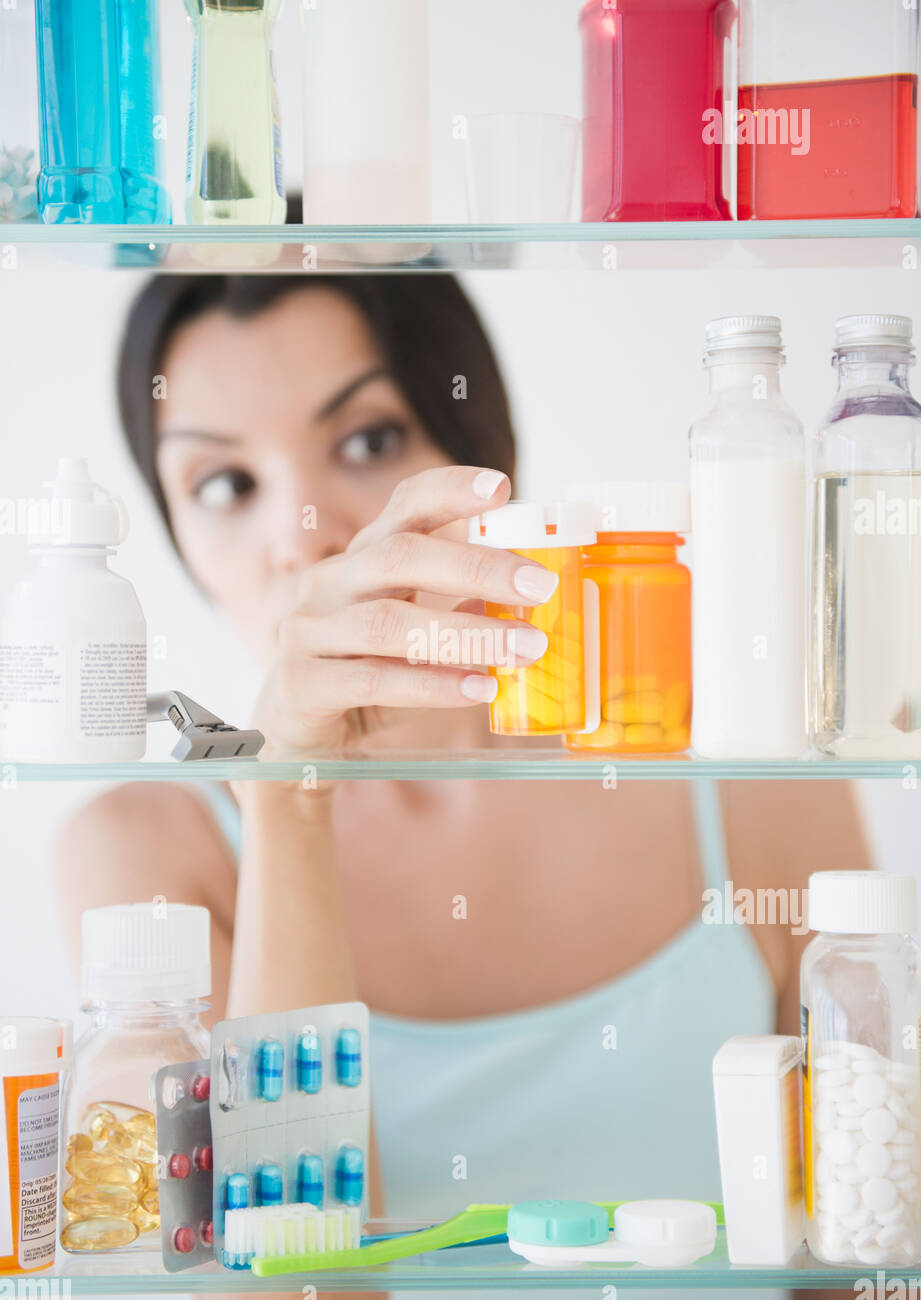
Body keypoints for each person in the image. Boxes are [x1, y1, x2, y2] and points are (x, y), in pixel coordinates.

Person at [56, 275, 870, 1219]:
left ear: (484, 458)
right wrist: (286, 796)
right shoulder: (147, 853)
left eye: (366, 440)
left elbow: (854, 1278)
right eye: (226, 484)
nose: (304, 537)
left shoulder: (749, 781)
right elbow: (285, 1295)